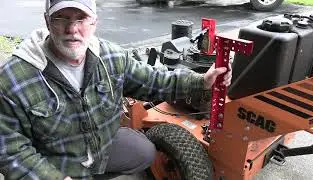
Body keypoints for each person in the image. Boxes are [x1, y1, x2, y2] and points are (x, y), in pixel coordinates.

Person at [0, 0, 232, 179]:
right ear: (47, 21)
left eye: (81, 18)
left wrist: (202, 81)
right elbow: (11, 151)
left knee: (144, 151)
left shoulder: (111, 57)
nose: (72, 29)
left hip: (100, 148)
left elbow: (155, 81)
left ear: (94, 21)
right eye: (61, 18)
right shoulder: (13, 79)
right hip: (56, 161)